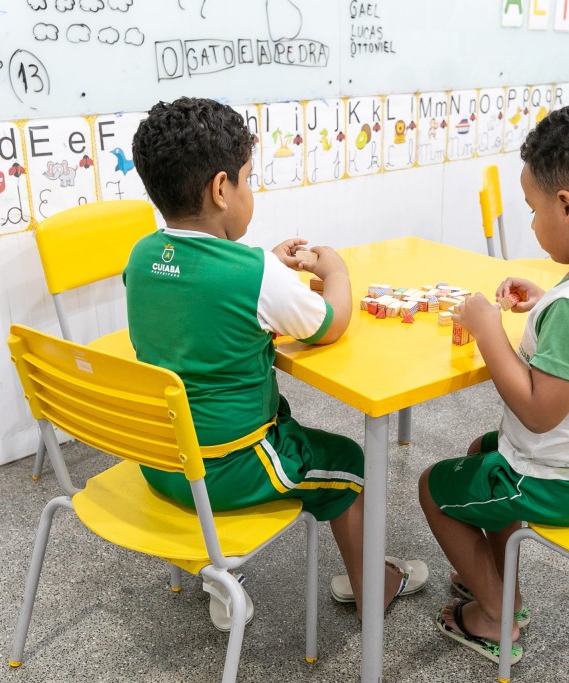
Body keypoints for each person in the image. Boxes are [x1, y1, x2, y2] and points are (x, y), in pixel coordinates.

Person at [124, 97, 426, 630]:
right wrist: (337, 273)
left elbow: (199, 288)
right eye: (248, 179)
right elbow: (331, 323)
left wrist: (265, 265)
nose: (250, 191)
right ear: (221, 189)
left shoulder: (141, 257)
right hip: (231, 466)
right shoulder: (255, 274)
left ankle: (217, 571)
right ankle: (373, 586)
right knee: (348, 460)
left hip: (164, 462)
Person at [418, 103, 569, 664]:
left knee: (433, 488)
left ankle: (495, 617)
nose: (530, 224)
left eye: (532, 210)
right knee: (481, 449)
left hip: (565, 479)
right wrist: (549, 300)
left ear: (567, 205)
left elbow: (537, 411)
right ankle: (493, 578)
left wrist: (489, 330)